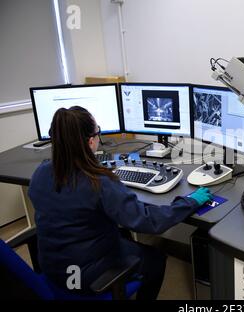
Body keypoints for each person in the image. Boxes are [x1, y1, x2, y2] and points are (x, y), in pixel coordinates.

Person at [28, 106, 213, 300]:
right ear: (91, 141)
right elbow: (149, 222)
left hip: (53, 269)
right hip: (83, 278)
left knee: (122, 234)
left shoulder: (40, 173)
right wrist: (190, 202)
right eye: (98, 131)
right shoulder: (98, 182)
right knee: (156, 260)